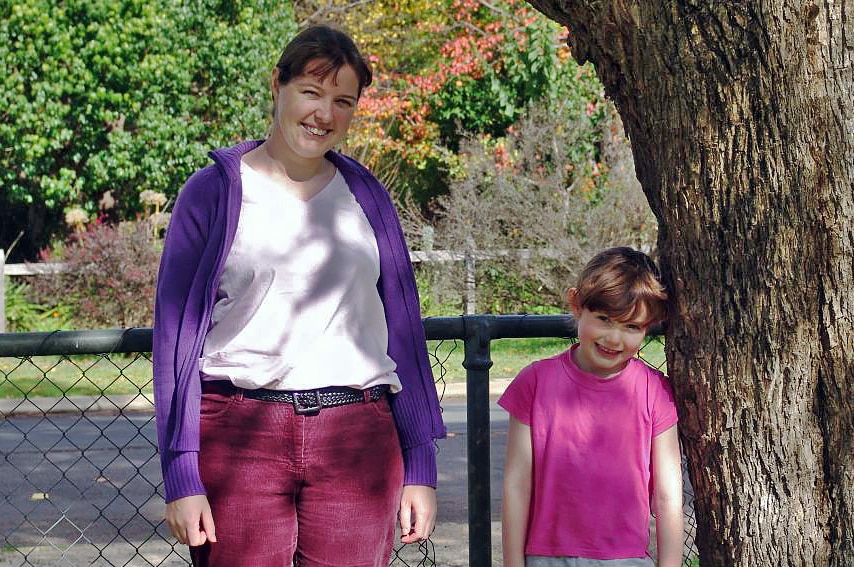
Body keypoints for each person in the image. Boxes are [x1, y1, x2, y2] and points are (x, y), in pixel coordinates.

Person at [152, 25, 445, 567]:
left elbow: (401, 328)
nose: (324, 114)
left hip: (357, 439)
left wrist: (420, 466)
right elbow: (176, 338)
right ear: (278, 85)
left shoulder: (367, 198)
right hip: (239, 433)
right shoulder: (214, 192)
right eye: (311, 92)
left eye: (343, 101)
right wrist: (181, 471)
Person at [499, 247, 683, 567]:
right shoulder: (535, 382)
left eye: (632, 327)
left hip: (626, 559)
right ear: (577, 305)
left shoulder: (655, 390)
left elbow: (668, 497)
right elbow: (516, 485)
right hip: (546, 557)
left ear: (649, 326)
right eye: (604, 320)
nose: (614, 338)